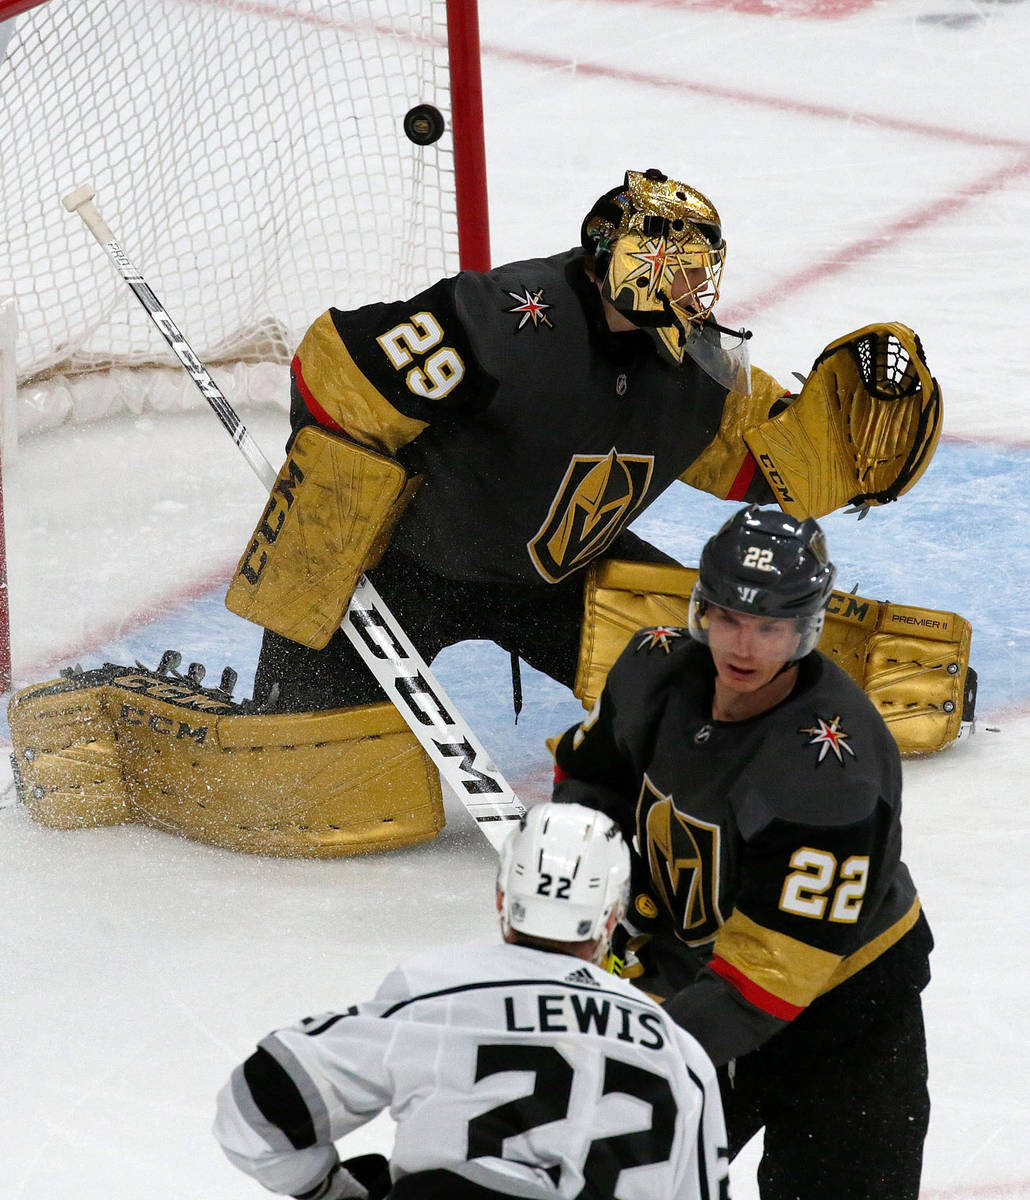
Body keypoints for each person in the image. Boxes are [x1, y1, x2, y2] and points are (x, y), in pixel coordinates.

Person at [550, 506, 932, 1200]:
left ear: (807, 627)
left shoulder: (831, 770)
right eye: (728, 617)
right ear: (702, 607)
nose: (745, 647)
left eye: (771, 626)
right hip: (703, 977)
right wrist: (597, 895)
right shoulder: (653, 669)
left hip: (842, 1019)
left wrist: (630, 1044)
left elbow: (769, 977)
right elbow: (591, 777)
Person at [213, 802, 731, 1200]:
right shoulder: (677, 1051)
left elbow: (254, 1109)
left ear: (503, 898)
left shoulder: (436, 993)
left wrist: (336, 1193)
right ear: (612, 916)